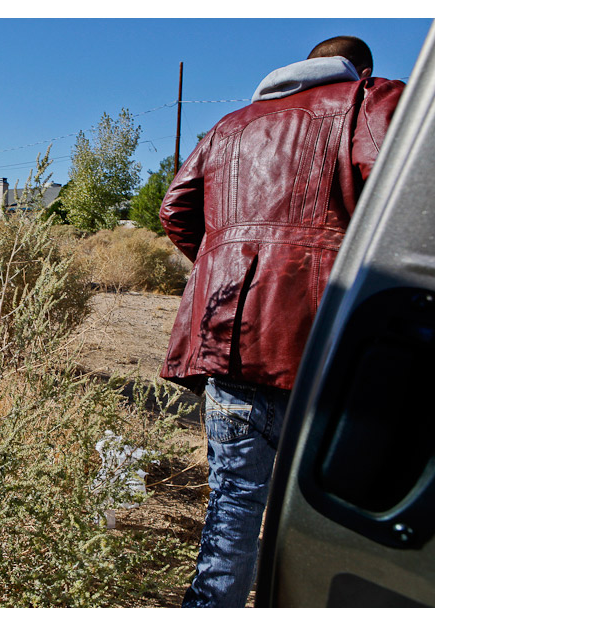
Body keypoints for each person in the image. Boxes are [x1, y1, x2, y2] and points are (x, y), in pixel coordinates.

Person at [158, 36, 405, 607]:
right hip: (332, 350)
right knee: (339, 515)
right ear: (359, 67)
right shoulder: (372, 100)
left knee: (233, 507)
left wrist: (227, 265)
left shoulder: (229, 126)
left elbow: (175, 209)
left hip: (235, 341)